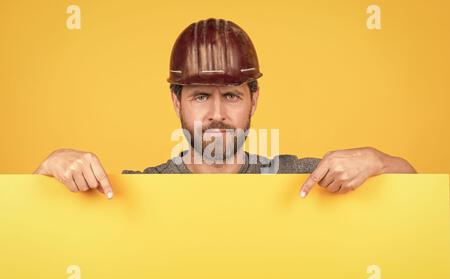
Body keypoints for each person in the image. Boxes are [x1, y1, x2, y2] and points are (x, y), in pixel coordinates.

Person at [33, 18, 416, 199]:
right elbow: (34, 232)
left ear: (254, 100)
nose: (217, 113)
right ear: (175, 101)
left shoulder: (301, 179)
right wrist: (49, 167)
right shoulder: (139, 190)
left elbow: (414, 186)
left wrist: (376, 160)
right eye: (200, 96)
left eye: (231, 95)